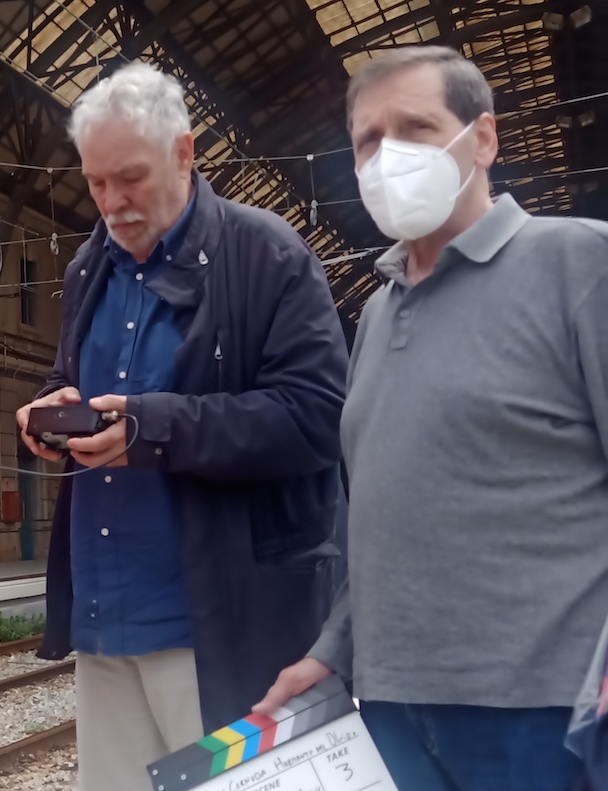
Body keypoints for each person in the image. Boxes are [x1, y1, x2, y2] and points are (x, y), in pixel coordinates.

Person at [253, 44, 608, 791]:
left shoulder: (579, 265)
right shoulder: (378, 314)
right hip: (392, 710)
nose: (390, 156)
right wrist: (333, 649)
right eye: (368, 141)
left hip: (545, 713)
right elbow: (384, 516)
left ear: (482, 139)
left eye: (416, 127)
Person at [15, 61, 349, 791]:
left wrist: (152, 428)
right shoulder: (86, 270)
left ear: (185, 151)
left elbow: (317, 417)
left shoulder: (268, 255)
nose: (111, 201)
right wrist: (48, 409)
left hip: (218, 622)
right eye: (95, 182)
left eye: (129, 177)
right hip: (106, 619)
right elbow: (69, 376)